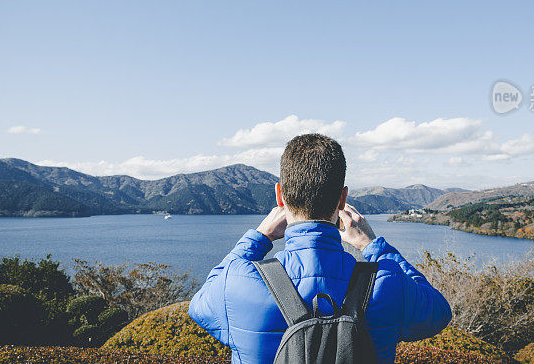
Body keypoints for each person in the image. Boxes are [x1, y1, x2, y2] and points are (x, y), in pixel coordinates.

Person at [189, 133, 451, 363]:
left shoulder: (236, 283)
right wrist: (373, 246)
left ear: (280, 195)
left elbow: (198, 306)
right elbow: (438, 312)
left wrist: (259, 238)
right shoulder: (388, 283)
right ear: (343, 198)